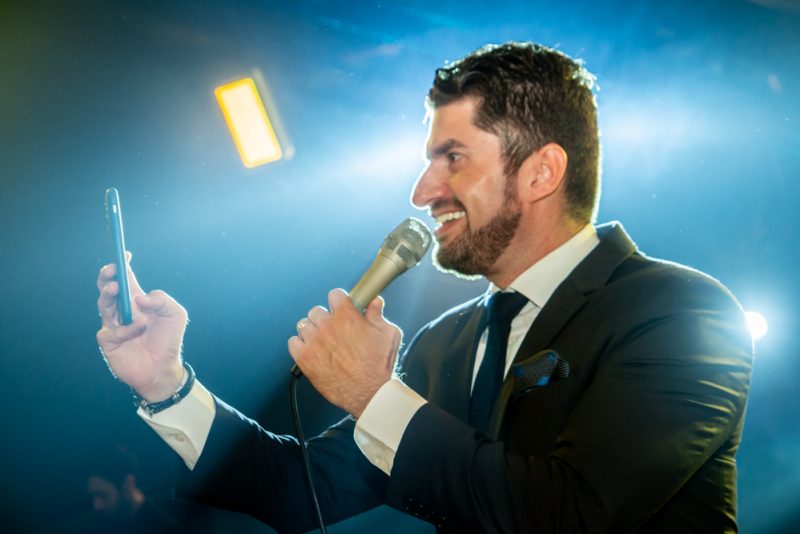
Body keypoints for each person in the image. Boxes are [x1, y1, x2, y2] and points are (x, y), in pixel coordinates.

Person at [96, 42, 753, 532]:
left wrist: (373, 396)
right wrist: (167, 383)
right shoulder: (450, 339)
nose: (422, 191)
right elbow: (299, 490)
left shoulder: (682, 311)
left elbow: (570, 515)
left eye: (453, 158)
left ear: (541, 171)